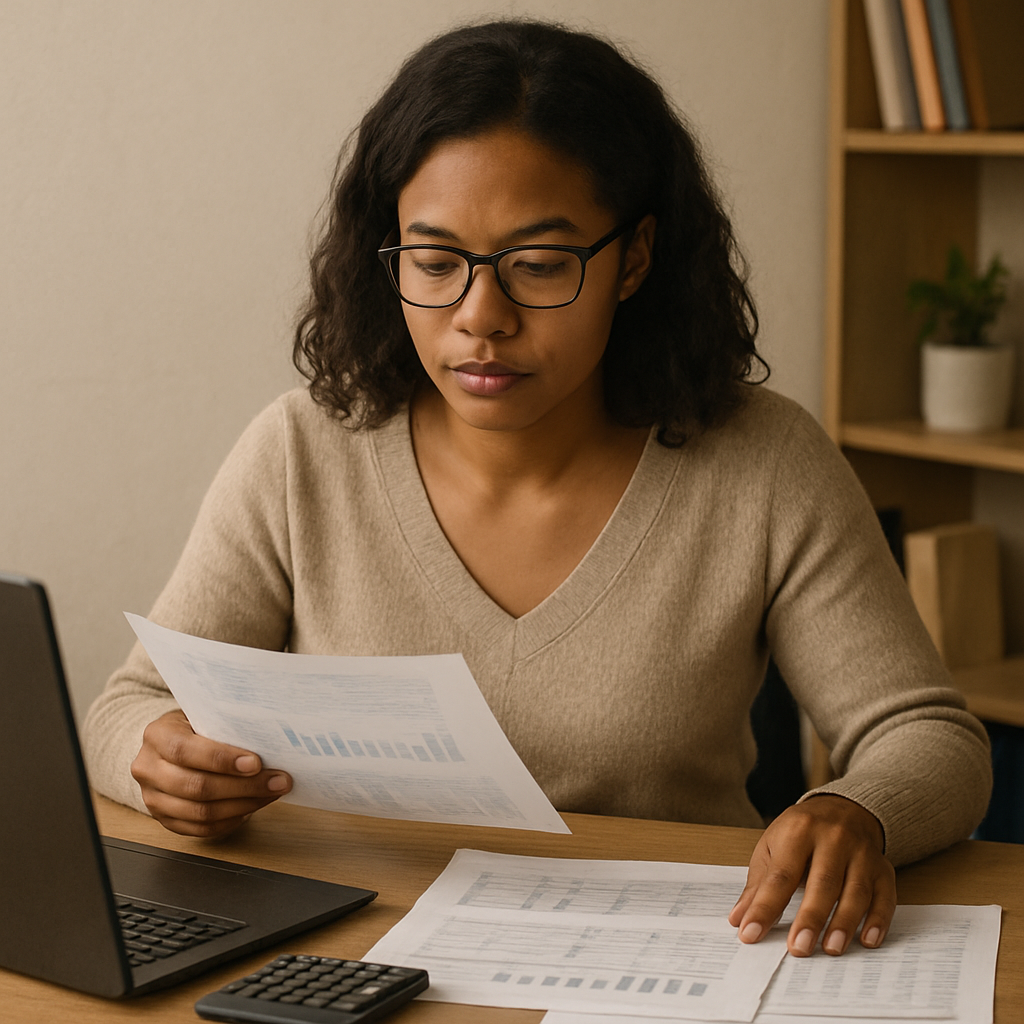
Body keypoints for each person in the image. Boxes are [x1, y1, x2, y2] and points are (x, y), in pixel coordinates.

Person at [82, 19, 991, 962]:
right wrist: (162, 759)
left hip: (669, 965)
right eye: (435, 264)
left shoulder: (763, 465)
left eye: (540, 267)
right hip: (353, 965)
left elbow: (927, 734)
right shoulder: (301, 454)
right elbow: (127, 709)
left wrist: (858, 807)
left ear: (633, 259)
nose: (482, 318)